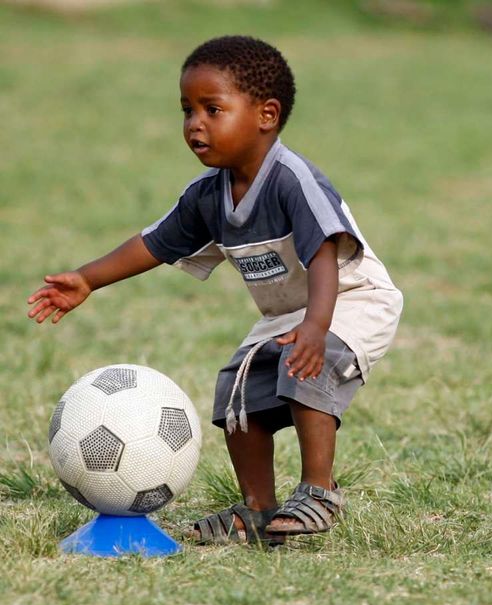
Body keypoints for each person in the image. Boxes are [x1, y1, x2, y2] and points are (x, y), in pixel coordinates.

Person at [27, 35, 402, 545]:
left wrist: (316, 328)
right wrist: (89, 278)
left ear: (266, 115)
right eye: (187, 110)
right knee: (238, 388)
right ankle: (258, 510)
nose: (194, 124)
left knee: (309, 370)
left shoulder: (293, 179)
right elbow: (154, 244)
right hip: (290, 311)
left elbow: (323, 253)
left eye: (212, 108)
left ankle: (318, 492)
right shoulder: (208, 195)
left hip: (350, 297)